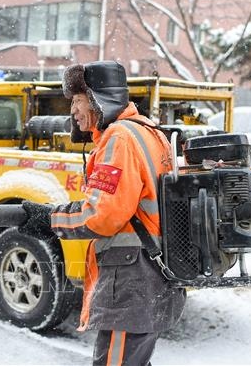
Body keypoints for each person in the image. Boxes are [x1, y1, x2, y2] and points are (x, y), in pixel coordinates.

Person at [20, 61, 186, 366]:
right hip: (154, 275)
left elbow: (102, 215)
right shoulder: (150, 132)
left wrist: (49, 219)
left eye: (78, 101)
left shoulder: (119, 138)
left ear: (98, 99)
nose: (73, 111)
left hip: (132, 279)